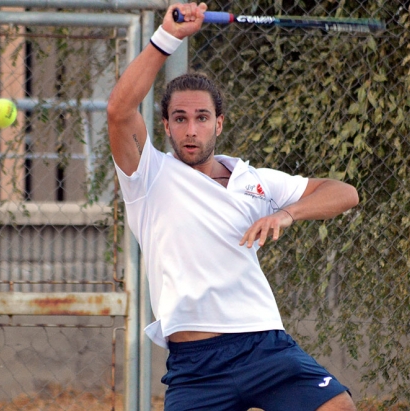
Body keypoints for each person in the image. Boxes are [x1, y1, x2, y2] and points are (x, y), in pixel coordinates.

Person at [106, 3, 360, 410]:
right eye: (180, 118)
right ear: (166, 126)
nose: (192, 130)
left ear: (219, 123)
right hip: (197, 367)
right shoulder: (149, 176)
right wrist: (168, 37)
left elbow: (344, 192)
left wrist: (286, 212)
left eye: (202, 118)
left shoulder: (255, 180)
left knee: (338, 407)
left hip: (265, 345)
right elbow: (119, 111)